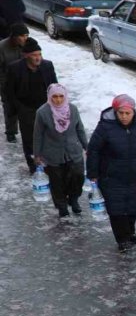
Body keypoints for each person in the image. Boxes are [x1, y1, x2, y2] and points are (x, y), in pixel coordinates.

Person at [86, 94, 136, 251]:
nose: (124, 117)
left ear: (133, 112)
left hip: (134, 177)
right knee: (116, 210)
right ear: (115, 112)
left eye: (127, 113)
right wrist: (92, 174)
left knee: (132, 208)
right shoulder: (105, 127)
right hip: (111, 177)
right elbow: (94, 151)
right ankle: (122, 239)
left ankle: (130, 233)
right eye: (121, 113)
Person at [33, 84, 88, 218]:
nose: (58, 100)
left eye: (61, 96)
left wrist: (87, 146)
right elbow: (38, 134)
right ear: (50, 97)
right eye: (55, 97)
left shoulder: (73, 109)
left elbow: (79, 128)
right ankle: (62, 205)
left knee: (78, 177)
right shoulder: (42, 112)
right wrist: (37, 154)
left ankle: (74, 199)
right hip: (52, 153)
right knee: (57, 181)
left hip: (73, 151)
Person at [5, 38, 58, 173]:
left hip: (45, 107)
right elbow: (9, 92)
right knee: (29, 139)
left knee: (48, 136)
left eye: (39, 54)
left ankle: (49, 163)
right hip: (26, 108)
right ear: (26, 55)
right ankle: (34, 166)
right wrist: (17, 109)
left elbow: (55, 87)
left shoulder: (47, 66)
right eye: (34, 55)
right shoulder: (15, 68)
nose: (37, 58)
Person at [0, 22, 28, 143]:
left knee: (27, 108)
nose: (25, 38)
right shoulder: (2, 47)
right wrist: (4, 86)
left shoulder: (27, 45)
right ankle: (11, 131)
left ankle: (28, 130)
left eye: (26, 35)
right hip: (7, 82)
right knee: (10, 107)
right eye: (22, 36)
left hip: (24, 81)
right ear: (14, 36)